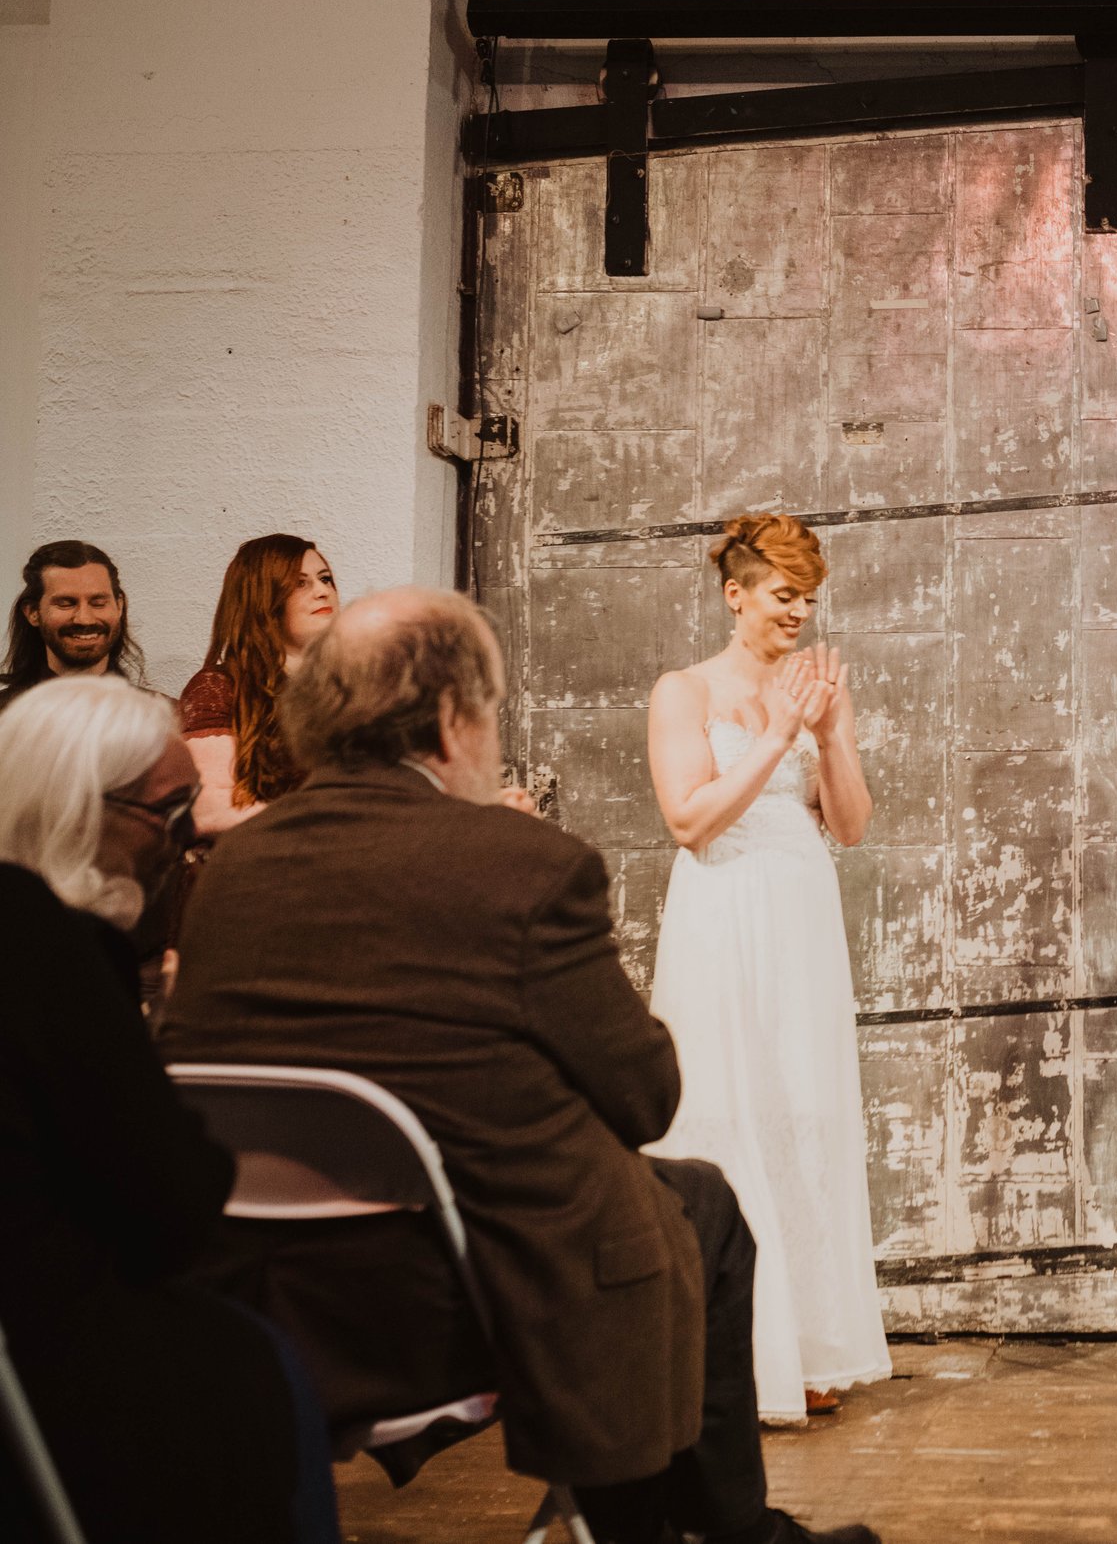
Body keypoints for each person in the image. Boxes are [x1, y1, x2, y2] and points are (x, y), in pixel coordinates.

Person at [157, 587, 875, 1544]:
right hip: (454, 1296)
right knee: (698, 1204)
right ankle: (711, 1529)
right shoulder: (519, 862)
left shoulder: (232, 872)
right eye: (489, 711)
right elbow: (645, 1096)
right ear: (454, 720)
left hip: (264, 1295)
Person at [0, 676, 338, 1544]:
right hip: (45, 1356)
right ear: (80, 808)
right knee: (266, 1361)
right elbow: (172, 1201)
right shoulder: (50, 945)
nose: (185, 843)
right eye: (170, 812)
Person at [644, 513, 888, 1423]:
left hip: (802, 924)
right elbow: (689, 822)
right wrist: (779, 734)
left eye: (808, 598)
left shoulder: (811, 693)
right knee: (727, 1110)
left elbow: (850, 826)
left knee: (804, 1112)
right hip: (723, 919)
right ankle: (728, 1357)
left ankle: (807, 1347)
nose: (799, 612)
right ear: (734, 594)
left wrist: (830, 733)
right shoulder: (684, 691)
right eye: (784, 595)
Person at [180, 533, 338, 836]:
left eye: (325, 579)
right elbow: (209, 808)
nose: (322, 591)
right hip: (268, 853)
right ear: (263, 598)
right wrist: (320, 827)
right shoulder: (219, 687)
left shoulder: (352, 685)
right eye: (300, 583)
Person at [0, 539, 149, 716]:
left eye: (98, 603)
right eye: (65, 604)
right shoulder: (5, 716)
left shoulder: (164, 718)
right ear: (33, 612)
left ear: (119, 606)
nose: (84, 619)